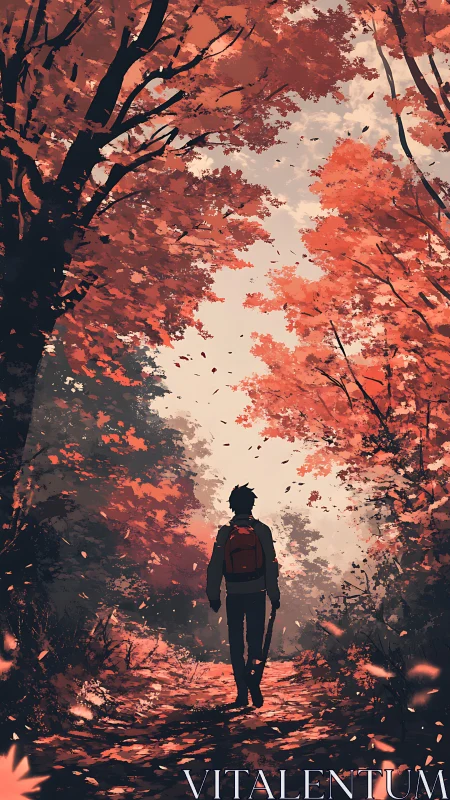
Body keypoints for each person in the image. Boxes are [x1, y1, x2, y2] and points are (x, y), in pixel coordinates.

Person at [206, 484, 280, 708]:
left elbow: (215, 565)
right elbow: (271, 564)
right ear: (252, 504)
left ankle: (241, 693)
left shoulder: (225, 532)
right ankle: (253, 677)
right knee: (255, 642)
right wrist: (274, 594)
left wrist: (213, 595)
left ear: (232, 506)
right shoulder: (262, 530)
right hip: (257, 593)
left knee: (236, 643)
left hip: (233, 593)